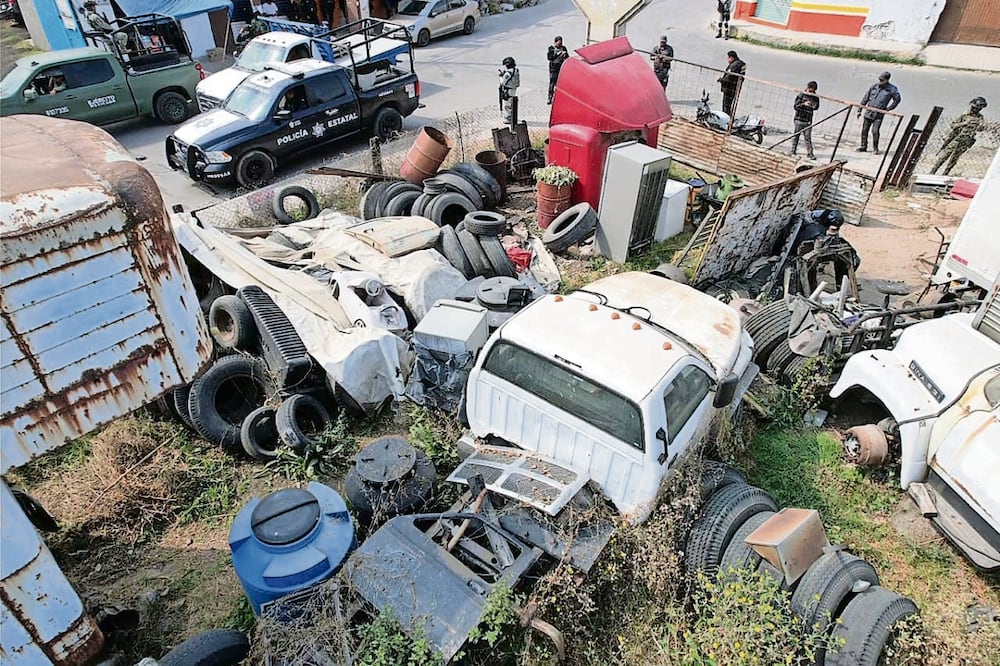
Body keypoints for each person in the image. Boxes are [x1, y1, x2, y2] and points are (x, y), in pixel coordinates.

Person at [932, 97, 988, 176]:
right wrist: (964, 123)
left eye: (980, 108)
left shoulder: (980, 117)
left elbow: (980, 129)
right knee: (944, 156)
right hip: (957, 138)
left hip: (967, 140)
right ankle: (933, 172)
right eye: (976, 107)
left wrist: (980, 127)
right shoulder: (964, 115)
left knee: (954, 159)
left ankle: (945, 174)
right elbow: (953, 125)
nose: (977, 109)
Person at [857, 71, 900, 155]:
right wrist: (859, 110)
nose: (880, 81)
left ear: (887, 80)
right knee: (864, 130)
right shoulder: (874, 87)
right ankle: (863, 146)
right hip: (868, 112)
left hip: (879, 114)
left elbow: (897, 100)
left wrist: (889, 108)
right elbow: (865, 98)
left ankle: (875, 148)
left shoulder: (892, 89)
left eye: (882, 80)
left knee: (875, 131)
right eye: (879, 79)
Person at [791, 80, 819, 160]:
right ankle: (793, 150)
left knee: (808, 138)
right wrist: (803, 104)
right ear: (807, 88)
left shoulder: (815, 97)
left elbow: (816, 107)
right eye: (810, 90)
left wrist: (811, 105)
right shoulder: (801, 95)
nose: (811, 92)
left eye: (813, 91)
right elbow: (795, 106)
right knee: (796, 136)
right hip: (799, 119)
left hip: (808, 121)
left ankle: (810, 153)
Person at [718, 50, 745, 117]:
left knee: (726, 106)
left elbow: (728, 77)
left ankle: (726, 120)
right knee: (731, 105)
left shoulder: (733, 66)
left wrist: (721, 80)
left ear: (731, 57)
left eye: (728, 58)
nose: (727, 60)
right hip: (736, 88)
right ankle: (729, 120)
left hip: (729, 88)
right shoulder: (742, 64)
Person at [546, 35, 569, 105]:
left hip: (561, 67)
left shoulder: (564, 48)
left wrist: (564, 55)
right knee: (552, 82)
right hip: (553, 68)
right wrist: (557, 54)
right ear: (555, 42)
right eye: (558, 43)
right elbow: (549, 58)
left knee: (560, 83)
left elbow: (567, 57)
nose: (560, 45)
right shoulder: (551, 48)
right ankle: (550, 97)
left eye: (561, 43)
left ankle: (560, 97)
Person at [498, 56, 519, 124]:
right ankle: (511, 117)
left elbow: (503, 82)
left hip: (508, 90)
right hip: (513, 89)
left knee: (507, 104)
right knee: (511, 103)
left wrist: (501, 76)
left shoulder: (508, 73)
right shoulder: (515, 70)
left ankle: (508, 118)